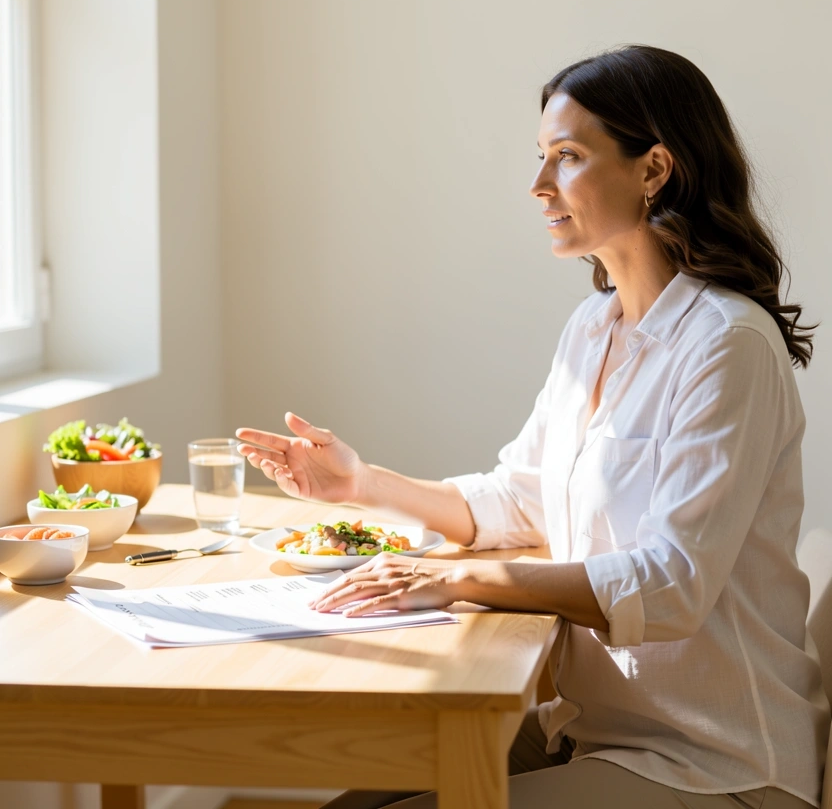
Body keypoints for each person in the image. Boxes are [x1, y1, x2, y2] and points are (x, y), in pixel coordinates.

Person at [238, 45, 828, 808]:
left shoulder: (727, 344)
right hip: (595, 728)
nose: (539, 185)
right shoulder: (595, 328)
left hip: (715, 761)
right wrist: (361, 483)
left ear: (654, 170)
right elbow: (520, 503)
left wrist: (452, 579)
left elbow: (675, 584)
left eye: (568, 157)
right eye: (542, 157)